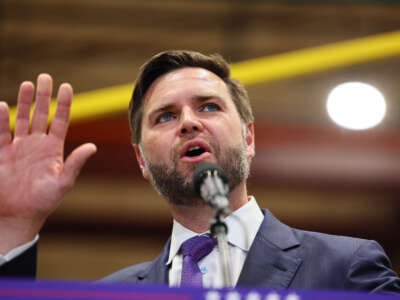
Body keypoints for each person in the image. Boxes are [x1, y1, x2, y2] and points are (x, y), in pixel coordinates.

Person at [0, 50, 399, 293]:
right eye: (166, 116)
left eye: (208, 106)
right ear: (141, 160)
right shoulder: (111, 294)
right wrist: (15, 228)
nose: (189, 123)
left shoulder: (345, 266)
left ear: (249, 138)